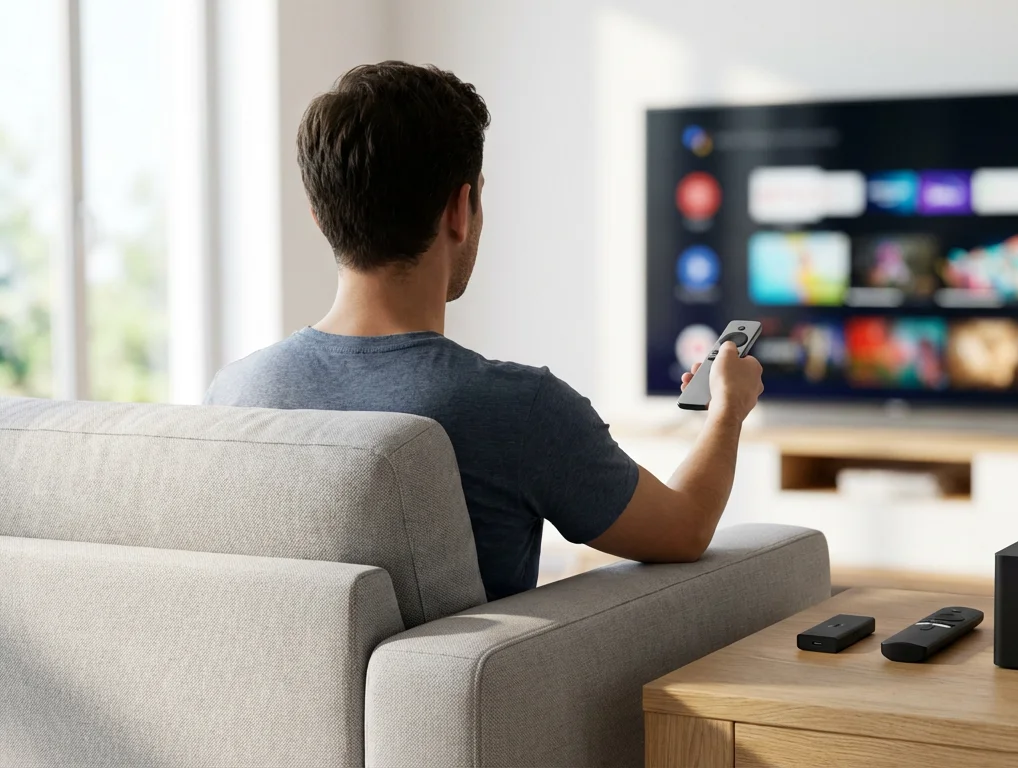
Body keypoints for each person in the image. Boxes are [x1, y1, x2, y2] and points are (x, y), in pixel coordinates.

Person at [204, 61, 763, 601]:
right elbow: (685, 529)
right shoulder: (518, 411)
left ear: (319, 213)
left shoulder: (234, 397)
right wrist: (727, 410)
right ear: (461, 208)